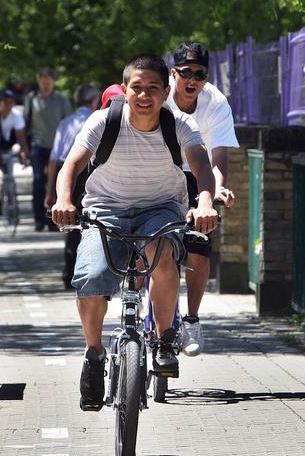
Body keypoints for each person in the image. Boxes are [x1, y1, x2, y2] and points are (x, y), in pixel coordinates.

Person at [50, 54, 218, 412]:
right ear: (125, 90)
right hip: (106, 209)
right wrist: (65, 198)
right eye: (137, 88)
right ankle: (94, 356)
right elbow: (72, 165)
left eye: (153, 89)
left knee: (162, 254)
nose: (144, 96)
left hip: (160, 209)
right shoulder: (103, 121)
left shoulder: (180, 124)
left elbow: (202, 167)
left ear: (166, 90)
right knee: (92, 276)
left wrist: (204, 203)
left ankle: (164, 340)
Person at [165, 42, 239, 357]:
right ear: (173, 74)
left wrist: (218, 189)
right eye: (186, 73)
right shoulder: (160, 98)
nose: (192, 80)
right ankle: (143, 311)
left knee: (199, 245)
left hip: (200, 176)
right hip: (160, 174)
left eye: (200, 74)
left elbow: (219, 153)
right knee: (152, 246)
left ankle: (191, 320)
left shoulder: (216, 102)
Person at [45, 84, 101, 289]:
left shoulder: (65, 123)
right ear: (94, 101)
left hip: (65, 175)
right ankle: (90, 272)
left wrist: (51, 191)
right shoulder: (98, 121)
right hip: (90, 175)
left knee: (70, 225)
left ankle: (69, 273)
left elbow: (53, 159)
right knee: (94, 224)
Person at [24, 67, 73, 232]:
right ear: (39, 82)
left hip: (57, 148)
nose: (45, 85)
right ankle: (38, 219)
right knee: (38, 181)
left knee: (56, 183)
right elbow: (26, 123)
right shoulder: (31, 99)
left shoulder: (61, 99)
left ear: (53, 82)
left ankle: (53, 220)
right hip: (38, 146)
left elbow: (69, 124)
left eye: (48, 82)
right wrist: (24, 148)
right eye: (42, 81)